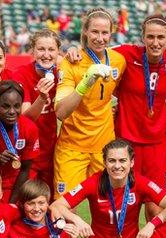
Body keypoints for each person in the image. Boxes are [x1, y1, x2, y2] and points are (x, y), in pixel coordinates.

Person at [53, 8, 126, 197]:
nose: (100, 38)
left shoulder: (119, 60)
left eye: (104, 32)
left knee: (109, 206)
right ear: (85, 31)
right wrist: (86, 83)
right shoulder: (71, 62)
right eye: (95, 32)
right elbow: (61, 113)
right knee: (64, 207)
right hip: (72, 147)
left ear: (111, 33)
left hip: (105, 147)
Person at [112, 15, 166, 213]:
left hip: (157, 145)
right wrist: (72, 51)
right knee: (124, 206)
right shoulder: (126, 53)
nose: (156, 42)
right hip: (126, 142)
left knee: (155, 206)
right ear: (142, 37)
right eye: (150, 37)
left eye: (161, 37)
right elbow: (95, 54)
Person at [12, 29, 59, 193]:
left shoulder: (61, 73)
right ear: (32, 50)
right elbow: (25, 117)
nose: (46, 54)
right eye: (41, 49)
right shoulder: (21, 75)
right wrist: (41, 98)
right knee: (25, 198)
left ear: (58, 51)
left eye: (51, 49)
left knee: (51, 201)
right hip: (27, 151)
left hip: (52, 150)